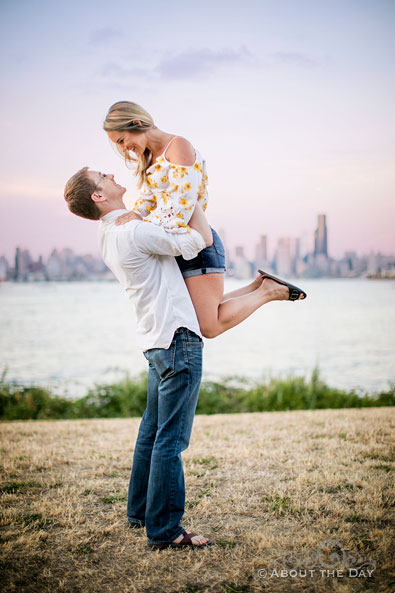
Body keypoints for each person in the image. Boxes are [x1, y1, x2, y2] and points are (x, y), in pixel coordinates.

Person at [64, 166, 214, 550]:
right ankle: (164, 531)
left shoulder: (110, 233)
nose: (112, 173)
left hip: (153, 339)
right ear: (98, 196)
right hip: (177, 337)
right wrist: (192, 193)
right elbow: (199, 239)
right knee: (171, 438)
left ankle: (139, 511)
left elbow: (145, 234)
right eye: (103, 176)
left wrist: (141, 215)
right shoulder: (132, 230)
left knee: (152, 430)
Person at [103, 101, 306, 341]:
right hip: (182, 245)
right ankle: (259, 285)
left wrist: (141, 223)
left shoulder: (178, 147)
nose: (125, 149)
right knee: (207, 313)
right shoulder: (151, 158)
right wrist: (134, 217)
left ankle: (268, 291)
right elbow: (149, 200)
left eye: (122, 140)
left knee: (209, 326)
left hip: (199, 243)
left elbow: (179, 208)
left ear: (136, 123)